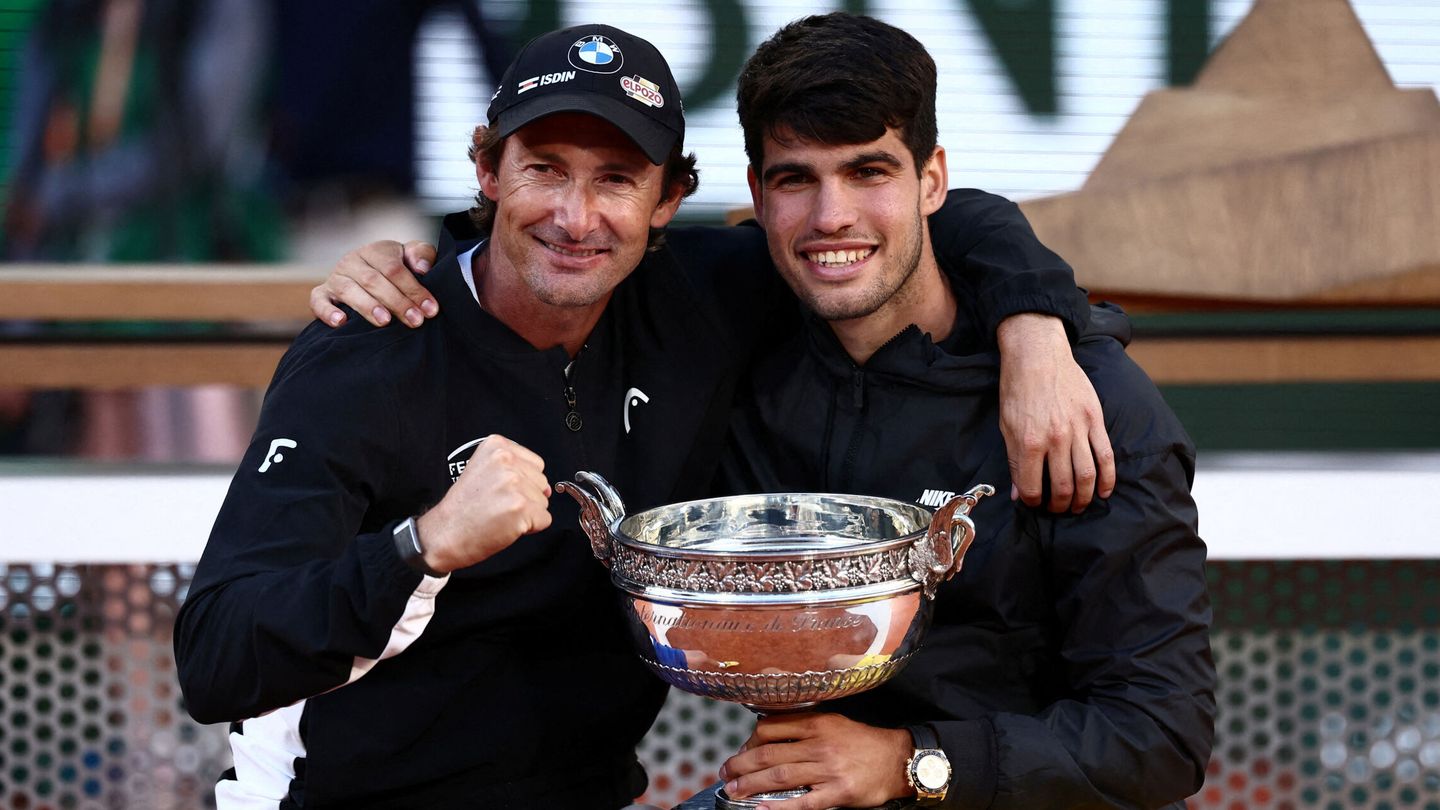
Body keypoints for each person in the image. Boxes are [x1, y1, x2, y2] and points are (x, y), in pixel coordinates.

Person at [177, 23, 1105, 810]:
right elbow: (216, 657)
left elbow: (917, 221)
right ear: (488, 169)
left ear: (669, 200)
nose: (576, 217)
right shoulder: (372, 349)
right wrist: (420, 548)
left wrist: (1035, 331)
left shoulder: (698, 296)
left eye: (616, 179)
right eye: (544, 169)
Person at [704, 14, 1215, 810]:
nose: (831, 216)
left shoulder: (1086, 404)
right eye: (796, 179)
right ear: (758, 195)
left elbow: (1160, 737)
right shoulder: (734, 337)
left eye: (869, 171)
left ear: (931, 181)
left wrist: (909, 762)